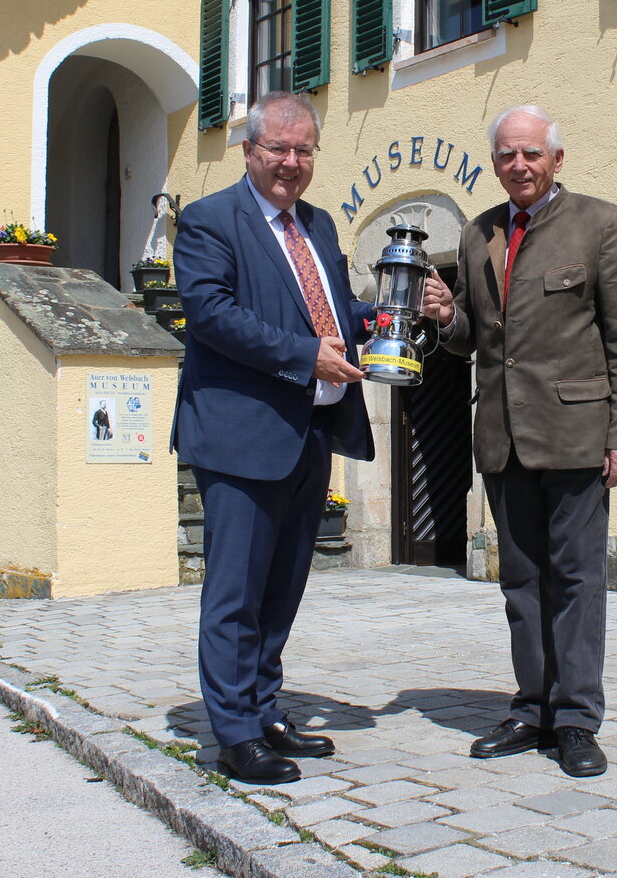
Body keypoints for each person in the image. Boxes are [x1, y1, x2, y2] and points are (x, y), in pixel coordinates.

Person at [422, 105, 617, 778]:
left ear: (555, 159)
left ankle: (576, 719)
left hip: (578, 435)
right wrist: (446, 316)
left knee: (576, 580)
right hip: (501, 436)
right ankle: (532, 707)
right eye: (505, 156)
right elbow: (477, 341)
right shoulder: (477, 232)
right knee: (521, 580)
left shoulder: (600, 224)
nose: (517, 165)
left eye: (530, 154)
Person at [172, 91, 373, 785]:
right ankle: (233, 735)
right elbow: (210, 312)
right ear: (249, 150)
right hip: (240, 436)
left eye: (304, 150)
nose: (291, 162)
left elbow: (337, 312)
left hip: (309, 432)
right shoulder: (208, 221)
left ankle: (261, 710)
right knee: (236, 592)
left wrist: (396, 310)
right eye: (278, 149)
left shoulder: (316, 225)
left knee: (282, 588)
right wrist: (302, 355)